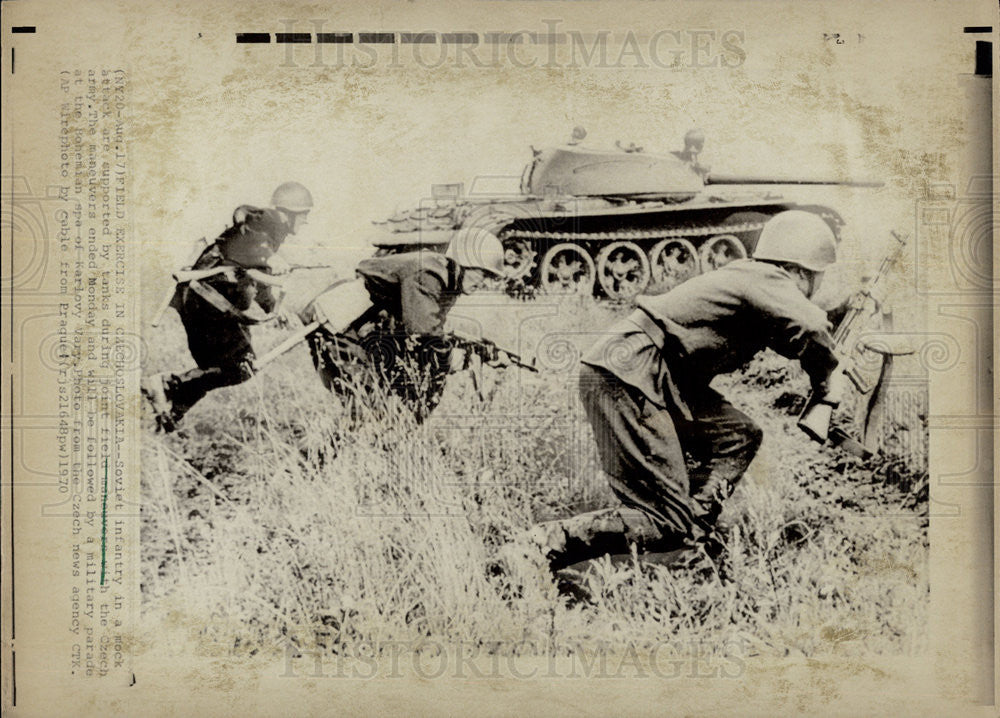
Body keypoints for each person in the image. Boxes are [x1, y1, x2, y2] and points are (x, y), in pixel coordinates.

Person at [510, 210, 848, 580]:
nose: (814, 286)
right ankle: (539, 544)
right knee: (662, 519)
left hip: (655, 373)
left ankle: (691, 534)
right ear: (799, 270)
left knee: (737, 435)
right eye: (816, 277)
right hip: (632, 372)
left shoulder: (751, 281)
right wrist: (827, 381)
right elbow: (812, 326)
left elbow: (796, 331)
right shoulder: (766, 277)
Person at [142, 182, 313, 431]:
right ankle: (166, 385)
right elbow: (246, 229)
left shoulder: (269, 233)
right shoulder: (267, 221)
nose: (306, 221)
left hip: (203, 303)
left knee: (223, 368)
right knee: (240, 366)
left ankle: (170, 412)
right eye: (305, 214)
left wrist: (272, 307)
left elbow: (254, 273)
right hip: (208, 303)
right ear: (291, 212)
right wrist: (270, 256)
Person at [306, 226, 506, 423]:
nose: (485, 283)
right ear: (465, 263)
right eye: (483, 274)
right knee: (367, 403)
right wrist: (454, 357)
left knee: (386, 401)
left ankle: (375, 444)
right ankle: (314, 451)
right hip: (337, 325)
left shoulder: (449, 279)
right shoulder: (429, 273)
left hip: (360, 328)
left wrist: (480, 350)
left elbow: (432, 329)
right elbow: (424, 337)